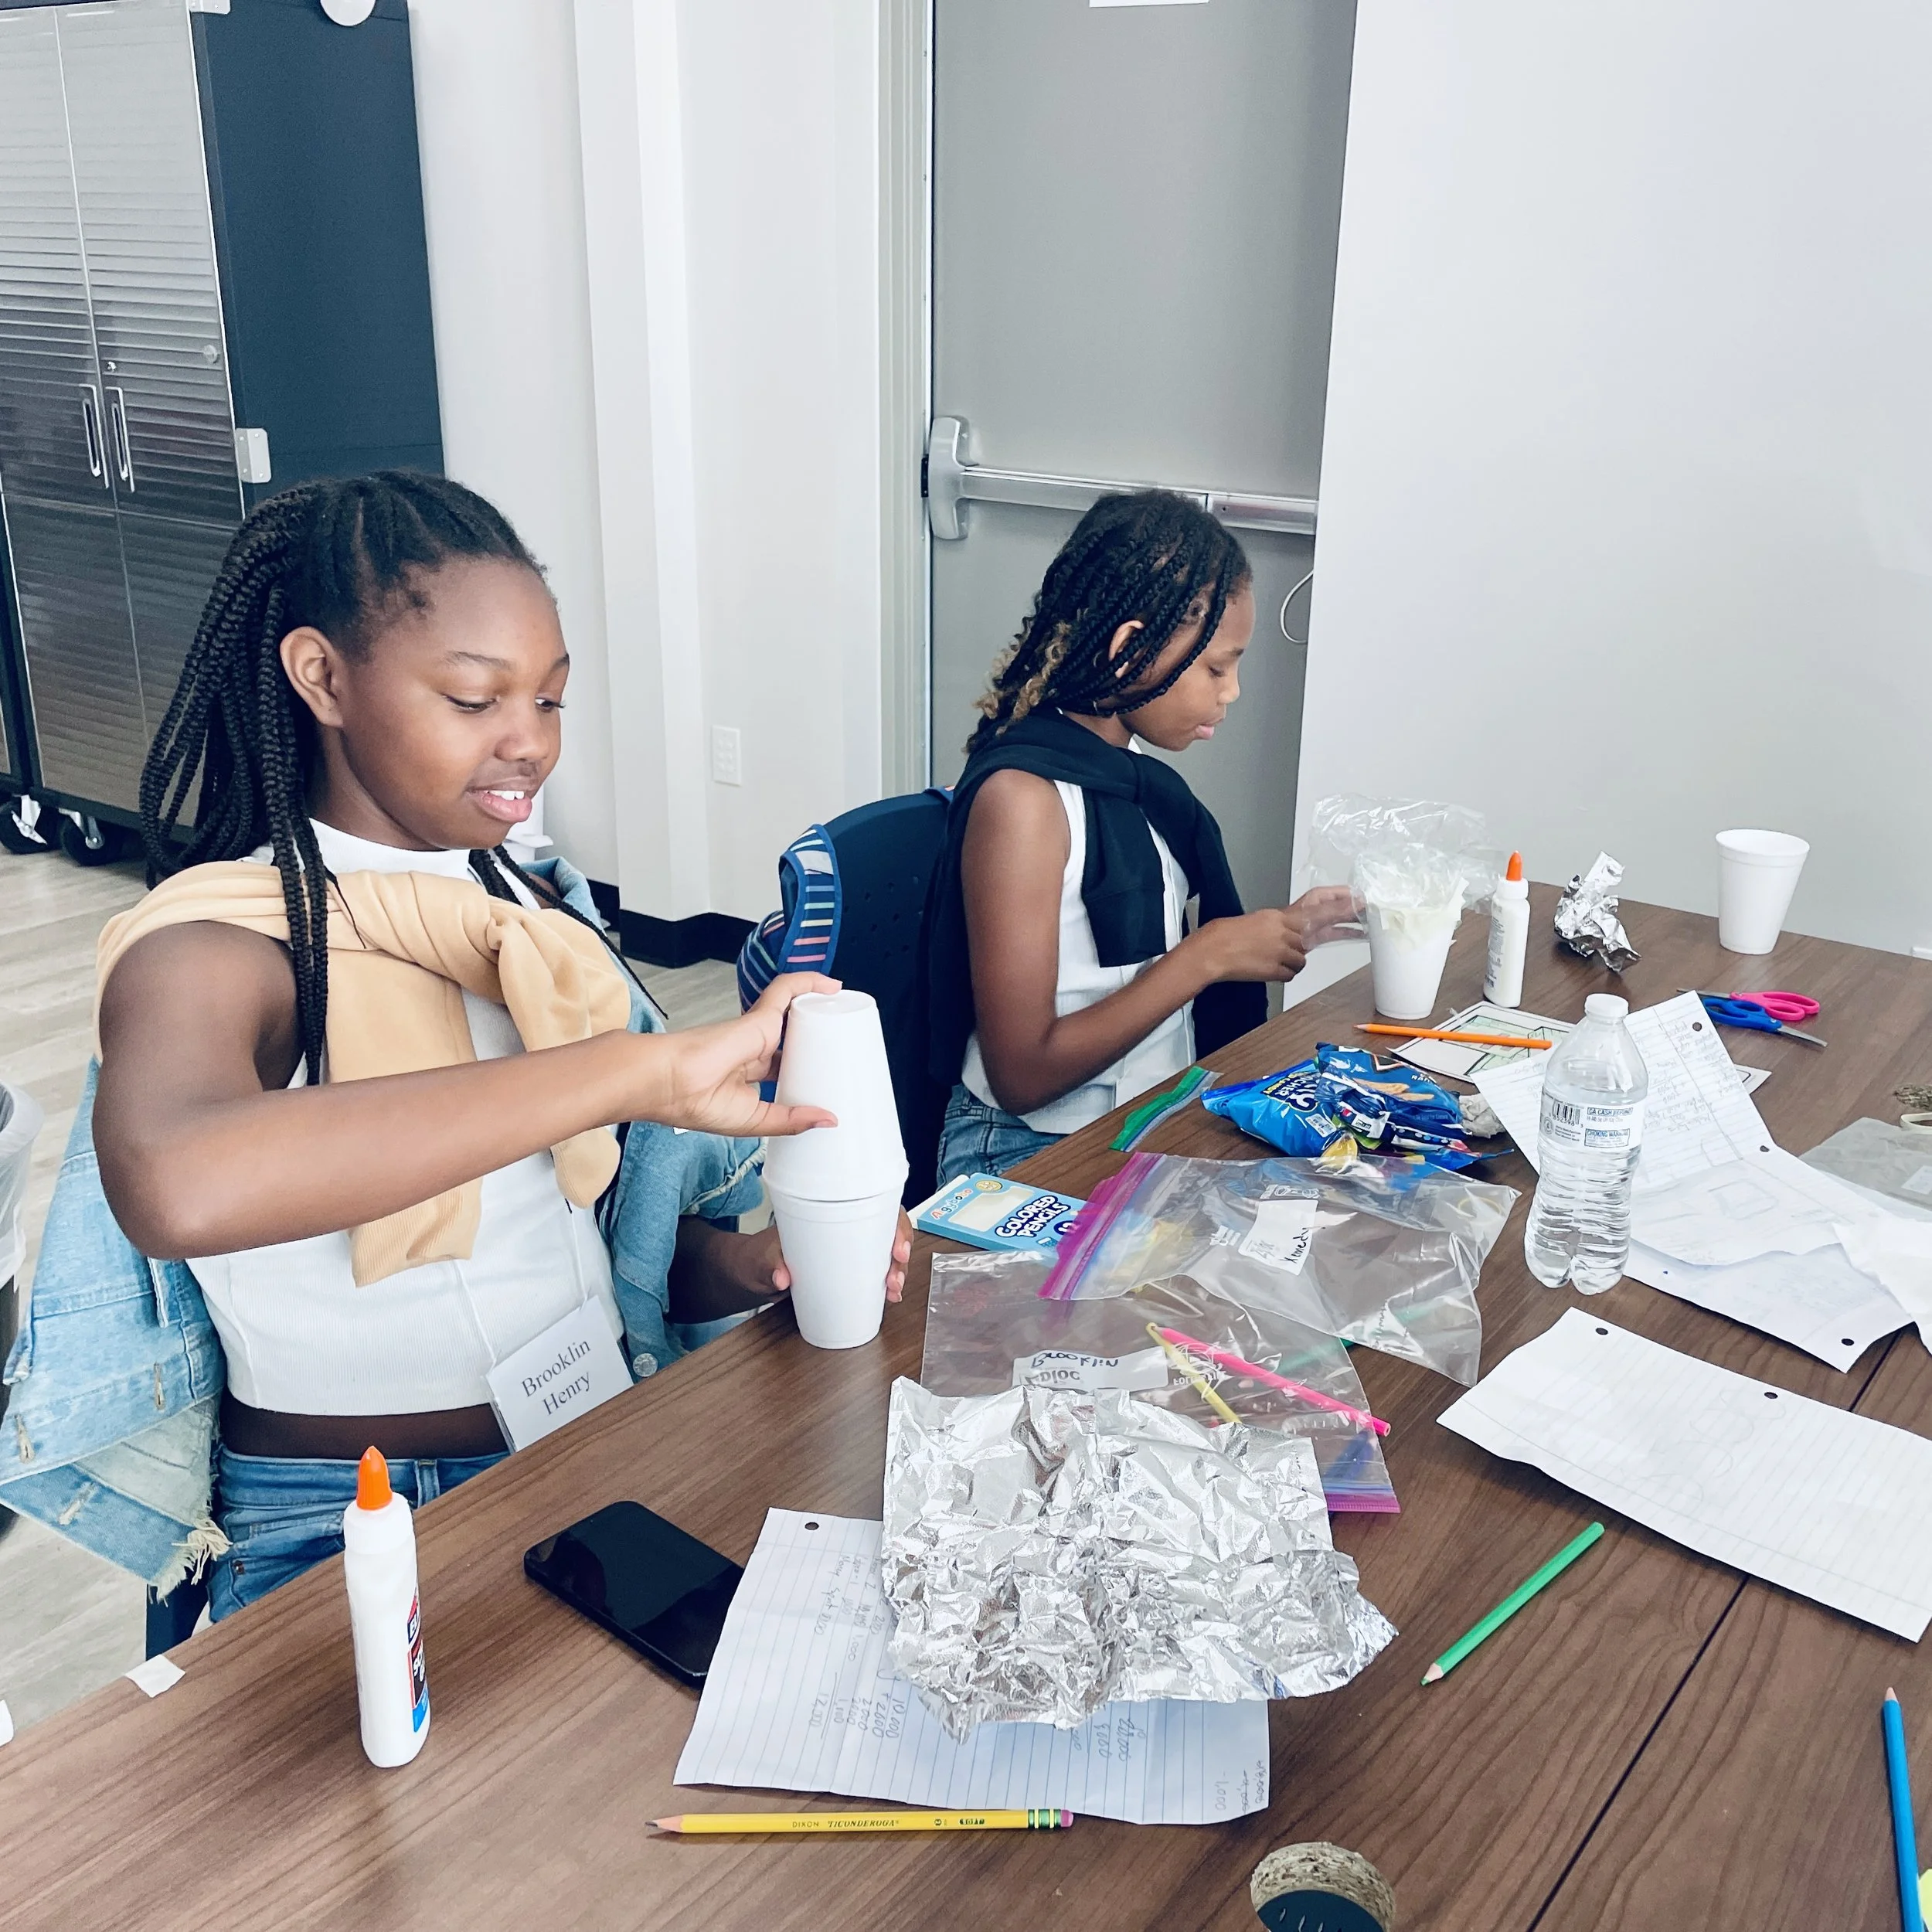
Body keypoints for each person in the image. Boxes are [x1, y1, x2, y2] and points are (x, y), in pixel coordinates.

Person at [83, 471, 907, 1618]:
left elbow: (581, 1239)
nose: (529, 743)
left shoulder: (529, 919)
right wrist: (632, 1072)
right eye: (475, 700)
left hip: (589, 1432)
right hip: (350, 1510)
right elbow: (175, 1182)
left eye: (550, 700)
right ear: (322, 676)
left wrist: (760, 1265)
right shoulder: (220, 945)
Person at [927, 491, 1355, 1182]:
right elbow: (1021, 1075)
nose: (1233, 692)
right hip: (1026, 1146)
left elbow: (1139, 980)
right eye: (1216, 667)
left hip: (1148, 1116)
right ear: (1131, 652)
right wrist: (1206, 957)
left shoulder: (1139, 783)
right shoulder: (1024, 803)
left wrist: (1276, 933)